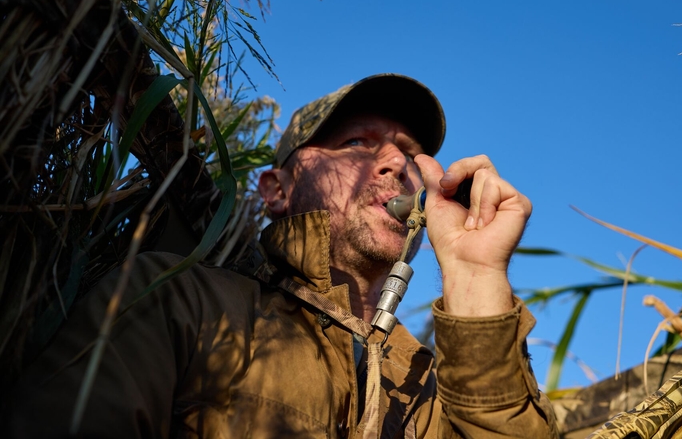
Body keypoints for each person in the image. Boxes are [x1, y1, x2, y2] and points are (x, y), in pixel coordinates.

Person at [6, 74, 558, 438]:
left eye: (413, 155)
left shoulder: (438, 388)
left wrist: (474, 273)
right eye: (356, 144)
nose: (395, 162)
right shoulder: (183, 301)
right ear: (277, 189)